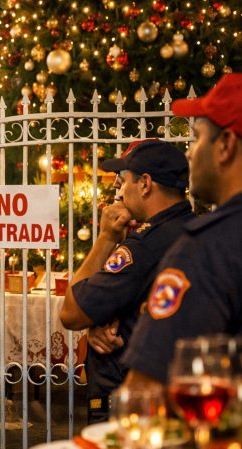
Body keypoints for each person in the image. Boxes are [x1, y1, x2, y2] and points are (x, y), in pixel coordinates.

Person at [122, 73, 242, 385]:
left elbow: (146, 391)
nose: (189, 153)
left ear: (225, 145)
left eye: (196, 138)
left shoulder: (208, 248)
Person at [59, 139, 195, 423]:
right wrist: (98, 323)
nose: (118, 192)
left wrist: (106, 238)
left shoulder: (145, 245)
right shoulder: (194, 230)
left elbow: (71, 313)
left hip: (126, 401)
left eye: (123, 182)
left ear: (145, 184)